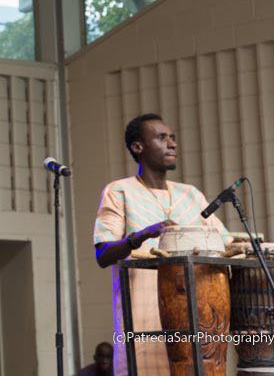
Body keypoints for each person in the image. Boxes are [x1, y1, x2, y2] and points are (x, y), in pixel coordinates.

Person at [93, 113, 230, 376]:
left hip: (194, 312)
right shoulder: (119, 191)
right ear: (138, 147)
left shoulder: (190, 194)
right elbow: (102, 253)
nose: (172, 143)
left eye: (173, 138)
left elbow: (224, 242)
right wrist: (140, 236)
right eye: (162, 137)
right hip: (143, 316)